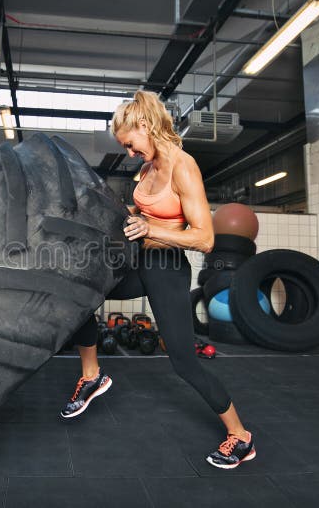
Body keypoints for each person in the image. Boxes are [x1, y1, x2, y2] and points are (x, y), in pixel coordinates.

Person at [59, 90, 255, 469]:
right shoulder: (147, 167)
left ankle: (240, 436)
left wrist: (150, 228)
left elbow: (204, 237)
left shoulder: (184, 166)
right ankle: (92, 376)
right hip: (140, 259)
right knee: (80, 293)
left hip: (167, 267)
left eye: (130, 144)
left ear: (145, 127)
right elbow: (140, 212)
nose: (130, 153)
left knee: (183, 362)